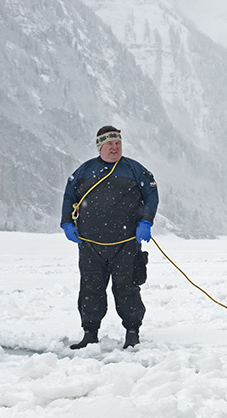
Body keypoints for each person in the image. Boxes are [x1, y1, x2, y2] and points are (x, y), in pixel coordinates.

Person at [60, 125, 158, 349]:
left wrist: (146, 220)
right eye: (110, 143)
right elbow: (69, 196)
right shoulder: (84, 171)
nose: (115, 147)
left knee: (127, 288)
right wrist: (66, 222)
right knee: (90, 289)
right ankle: (90, 333)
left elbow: (152, 194)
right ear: (100, 146)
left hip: (125, 243)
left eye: (118, 143)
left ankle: (132, 332)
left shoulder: (135, 170)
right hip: (90, 243)